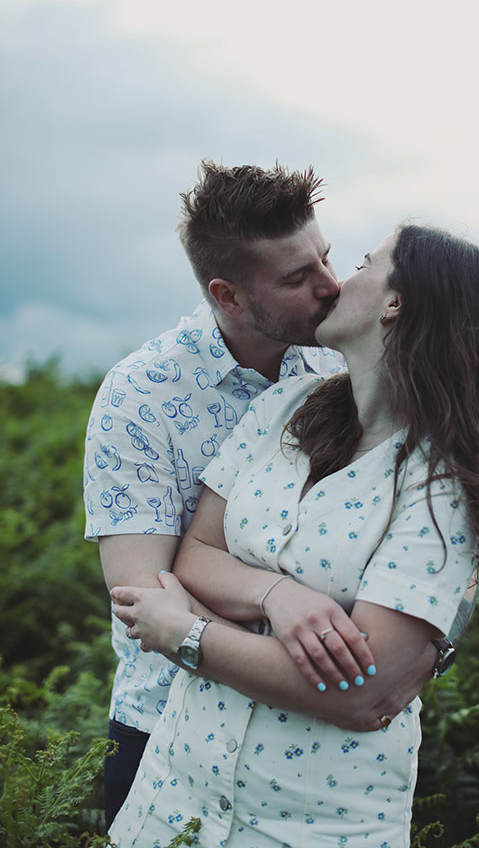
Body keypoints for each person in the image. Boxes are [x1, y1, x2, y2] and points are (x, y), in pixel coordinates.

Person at [109, 224, 479, 847]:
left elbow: (367, 693)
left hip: (314, 821)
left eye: (360, 262)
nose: (336, 282)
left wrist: (188, 635)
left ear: (396, 303)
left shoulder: (443, 485)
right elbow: (194, 555)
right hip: (171, 797)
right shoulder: (287, 406)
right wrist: (280, 598)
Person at [83, 163, 446, 829]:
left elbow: (415, 547)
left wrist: (411, 648)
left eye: (327, 257)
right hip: (165, 740)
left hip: (312, 765)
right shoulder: (141, 394)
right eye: (296, 278)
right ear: (228, 295)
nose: (330, 285)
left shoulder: (343, 366)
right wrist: (285, 612)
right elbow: (144, 597)